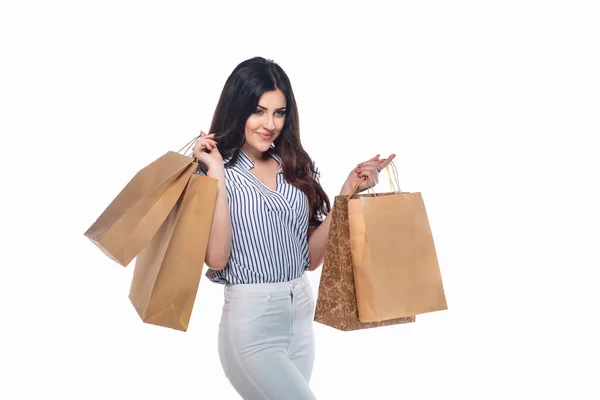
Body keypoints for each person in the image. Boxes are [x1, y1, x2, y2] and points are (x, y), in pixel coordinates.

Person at [193, 57, 395, 400]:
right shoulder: (213, 171)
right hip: (251, 325)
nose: (269, 124)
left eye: (279, 112)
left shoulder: (294, 167)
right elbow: (216, 257)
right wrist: (216, 177)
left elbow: (310, 259)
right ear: (237, 108)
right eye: (258, 110)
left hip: (299, 315)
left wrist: (348, 191)